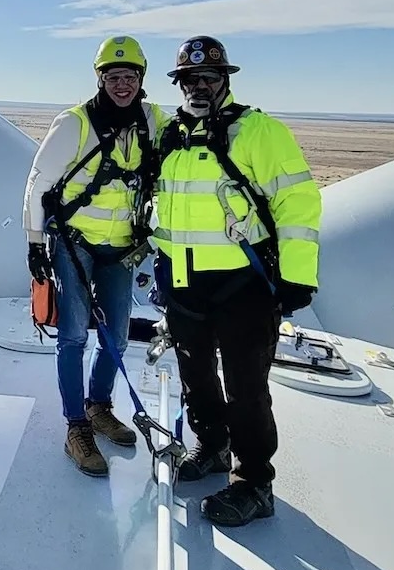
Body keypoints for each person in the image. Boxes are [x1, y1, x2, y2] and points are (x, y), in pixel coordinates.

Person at [147, 36, 320, 525]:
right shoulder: (171, 137)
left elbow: (298, 203)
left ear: (226, 81)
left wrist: (297, 277)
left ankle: (254, 482)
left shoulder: (259, 132)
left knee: (245, 386)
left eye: (209, 77)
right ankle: (213, 448)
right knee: (195, 375)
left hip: (244, 282)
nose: (199, 86)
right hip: (184, 281)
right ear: (179, 85)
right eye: (190, 79)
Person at [25, 36, 167, 477]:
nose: (121, 84)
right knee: (72, 336)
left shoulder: (153, 121)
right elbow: (38, 181)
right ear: (100, 79)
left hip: (123, 247)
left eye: (129, 76)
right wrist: (34, 242)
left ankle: (100, 406)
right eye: (113, 76)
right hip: (75, 244)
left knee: (118, 338)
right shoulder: (75, 124)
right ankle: (77, 428)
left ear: (141, 79)